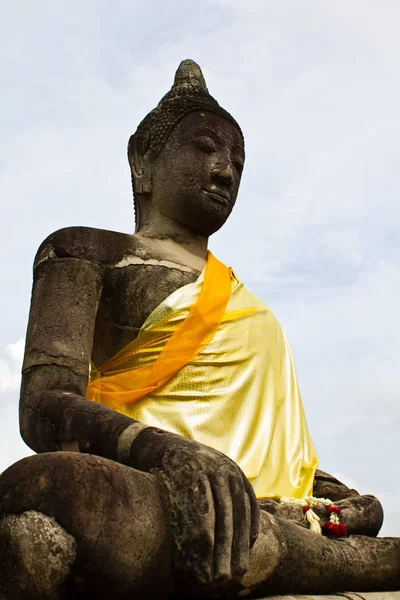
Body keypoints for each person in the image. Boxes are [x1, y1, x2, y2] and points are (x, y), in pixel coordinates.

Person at [0, 60, 397, 600]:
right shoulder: (82, 250)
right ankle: (312, 558)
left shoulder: (244, 301)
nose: (224, 171)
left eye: (237, 160)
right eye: (206, 148)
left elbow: (278, 455)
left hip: (260, 507)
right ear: (143, 161)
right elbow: (43, 404)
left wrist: (337, 496)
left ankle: (289, 546)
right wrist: (167, 452)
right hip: (157, 482)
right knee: (59, 489)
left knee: (351, 516)